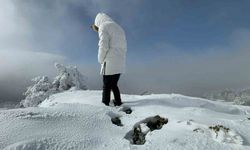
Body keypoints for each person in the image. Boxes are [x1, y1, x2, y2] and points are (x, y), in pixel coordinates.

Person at [91, 13, 127, 106]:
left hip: (110, 62)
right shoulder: (119, 28)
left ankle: (105, 104)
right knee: (114, 84)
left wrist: (100, 59)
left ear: (98, 21)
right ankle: (118, 102)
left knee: (106, 85)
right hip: (120, 62)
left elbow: (103, 45)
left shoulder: (104, 26)